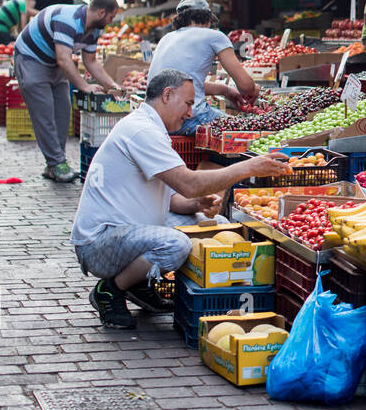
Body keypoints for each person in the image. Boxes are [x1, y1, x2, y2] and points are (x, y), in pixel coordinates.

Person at [72, 68, 291, 329]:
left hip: (127, 232)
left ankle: (138, 283)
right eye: (188, 104)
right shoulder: (141, 131)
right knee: (176, 245)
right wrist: (248, 167)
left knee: (216, 224)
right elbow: (187, 183)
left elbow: (174, 196)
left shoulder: (152, 128)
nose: (190, 113)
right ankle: (110, 290)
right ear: (167, 95)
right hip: (100, 244)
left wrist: (195, 204)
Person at [15, 0, 124, 182]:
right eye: (111, 17)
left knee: (63, 112)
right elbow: (64, 59)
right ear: (101, 12)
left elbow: (90, 61)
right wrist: (84, 86)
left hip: (53, 64)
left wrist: (111, 85)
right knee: (45, 114)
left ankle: (56, 163)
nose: (111, 21)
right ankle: (56, 163)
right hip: (31, 59)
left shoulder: (93, 30)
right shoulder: (68, 20)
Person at [148, 0, 258, 134]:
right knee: (249, 130)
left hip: (157, 120)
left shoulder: (166, 39)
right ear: (207, 19)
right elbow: (246, 87)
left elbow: (181, 83)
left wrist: (226, 91)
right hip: (188, 119)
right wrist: (254, 89)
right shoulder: (214, 36)